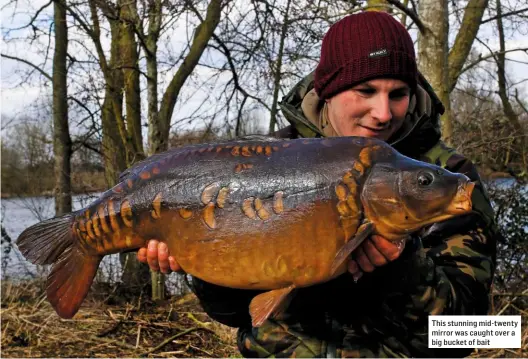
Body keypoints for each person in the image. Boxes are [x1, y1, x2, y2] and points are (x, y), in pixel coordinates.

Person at [138, 11, 499, 358]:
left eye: (398, 94)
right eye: (366, 90)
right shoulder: (267, 158)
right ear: (328, 91)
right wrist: (196, 265)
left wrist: (402, 270)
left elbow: (466, 335)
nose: (383, 112)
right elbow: (235, 316)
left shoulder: (446, 176)